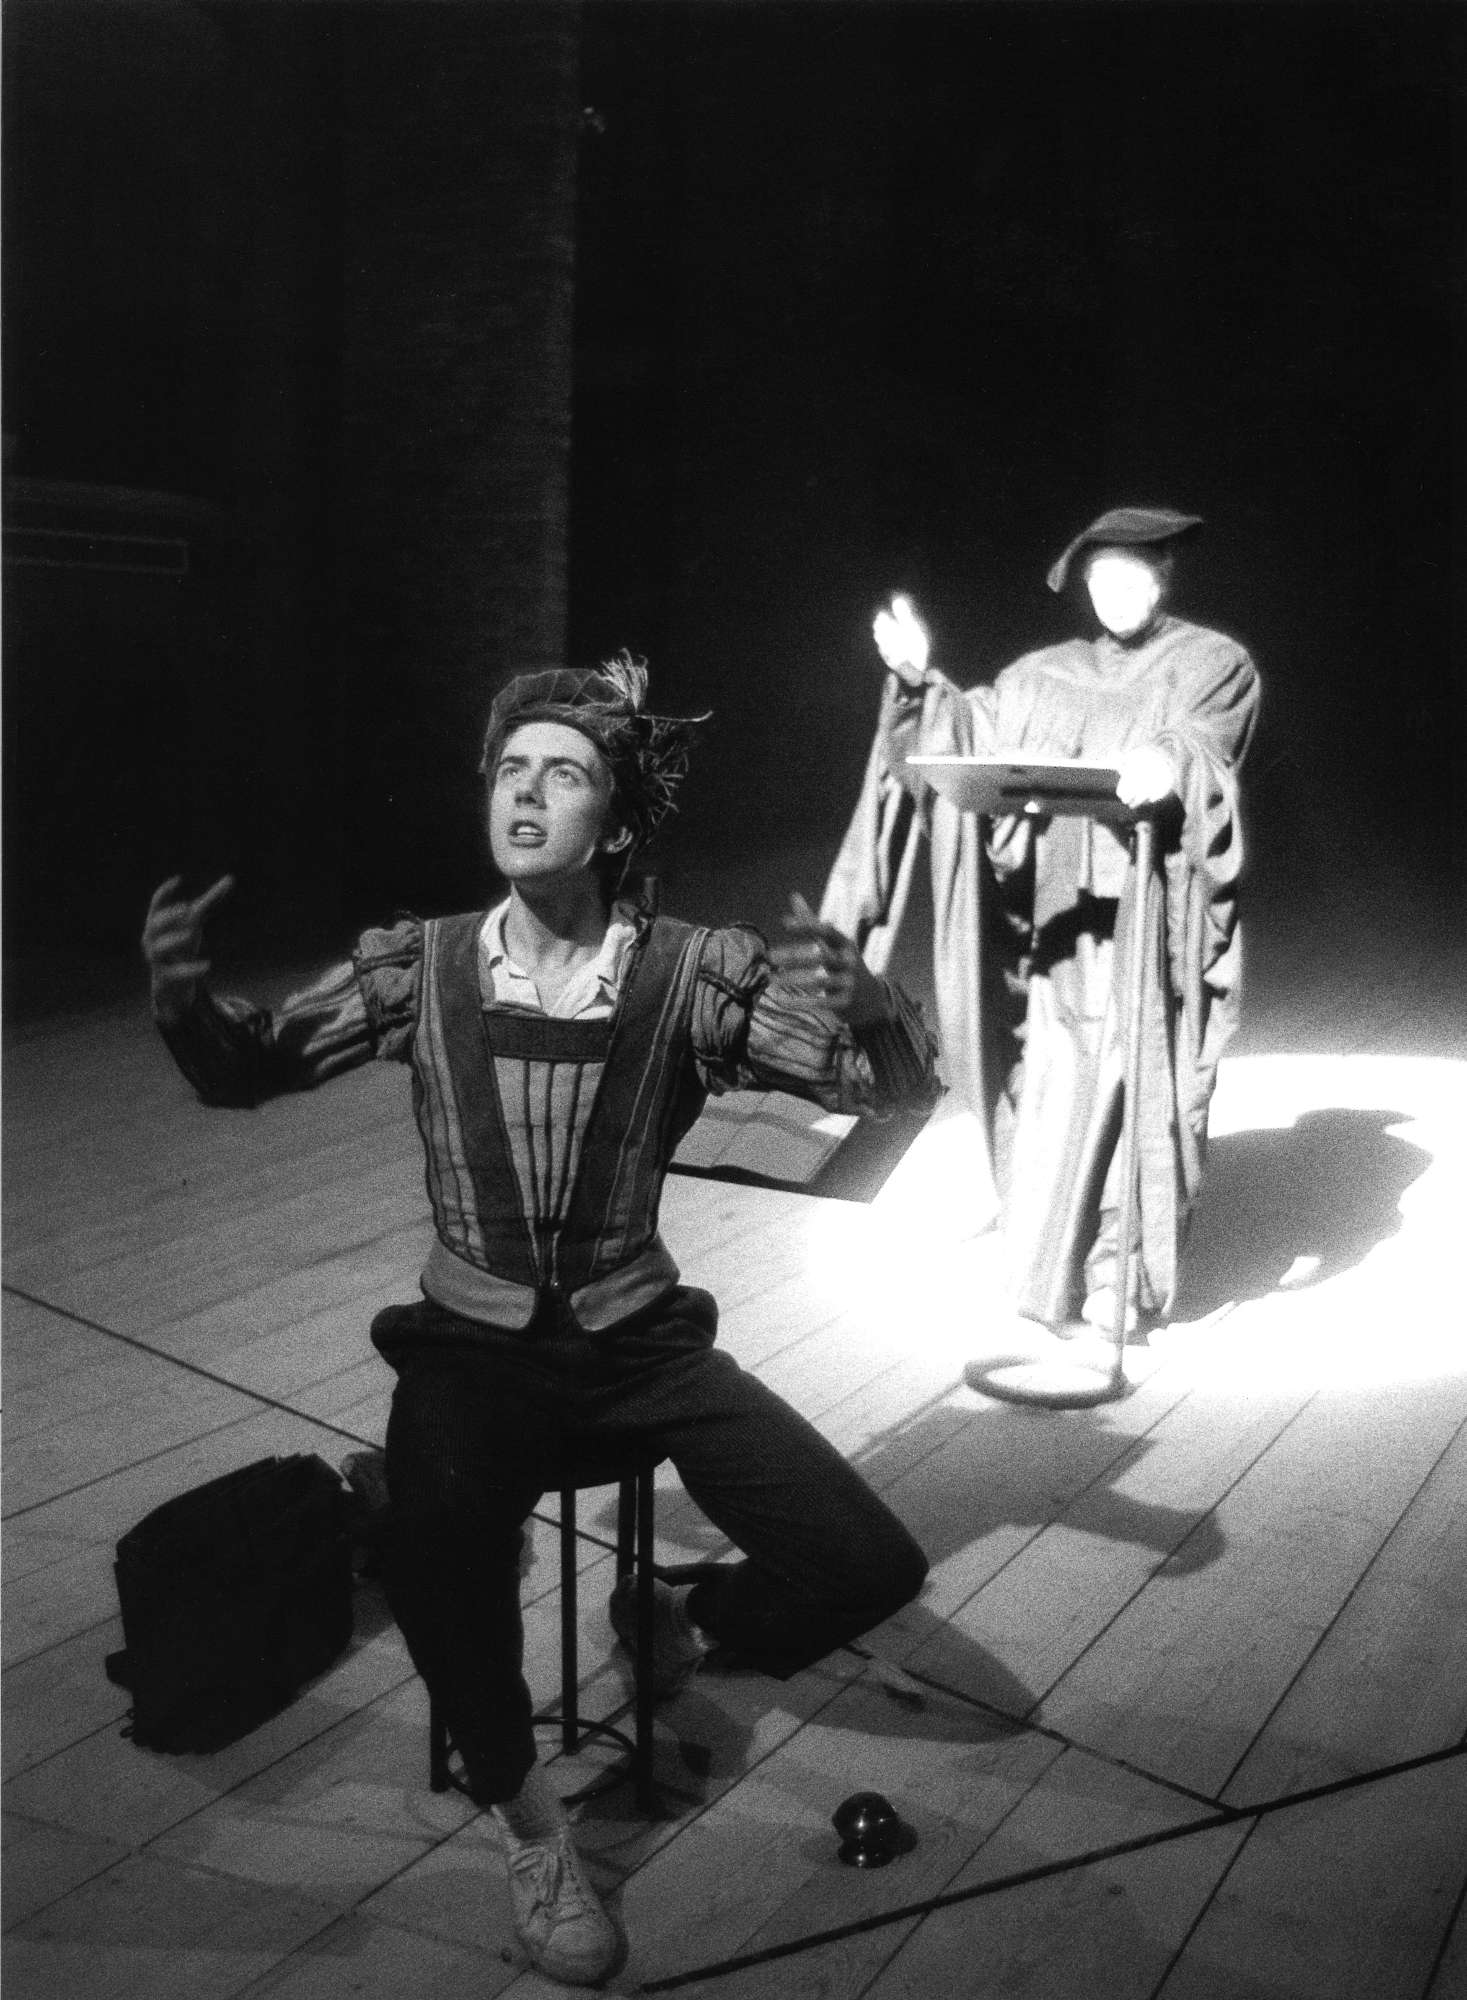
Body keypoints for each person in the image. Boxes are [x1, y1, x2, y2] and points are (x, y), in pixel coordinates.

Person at [142, 653, 938, 1987]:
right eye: (510, 770)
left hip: (640, 1338)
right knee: (437, 1550)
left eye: (561, 774)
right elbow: (249, 1070)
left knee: (868, 1562)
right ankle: (528, 1824)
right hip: (471, 1345)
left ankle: (684, 1619)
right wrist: (183, 1005)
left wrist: (873, 1010)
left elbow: (888, 1092)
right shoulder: (423, 967)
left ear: (614, 823)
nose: (524, 793)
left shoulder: (690, 974)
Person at [822, 507, 1260, 1340]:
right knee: (1057, 1083)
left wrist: (1166, 759)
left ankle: (1119, 1274)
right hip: (1056, 922)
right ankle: (1053, 1270)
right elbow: (966, 734)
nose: (1114, 592)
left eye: (1132, 575)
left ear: (1163, 576)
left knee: (1136, 1080)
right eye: (1099, 578)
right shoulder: (1040, 674)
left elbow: (1206, 741)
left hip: (1146, 913)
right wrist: (919, 682)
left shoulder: (1210, 661)